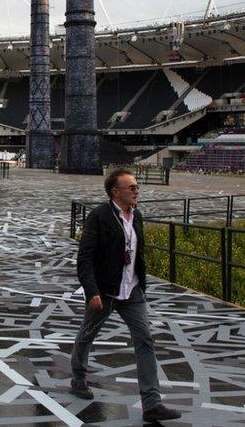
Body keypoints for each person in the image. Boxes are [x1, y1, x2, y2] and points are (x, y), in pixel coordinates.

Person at [71, 168, 181, 423]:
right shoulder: (99, 216)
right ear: (115, 191)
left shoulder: (137, 216)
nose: (136, 191)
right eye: (131, 187)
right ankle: (78, 378)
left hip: (131, 291)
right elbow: (84, 258)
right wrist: (92, 291)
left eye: (136, 187)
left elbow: (135, 252)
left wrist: (141, 283)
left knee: (145, 339)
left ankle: (152, 403)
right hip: (105, 291)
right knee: (88, 335)